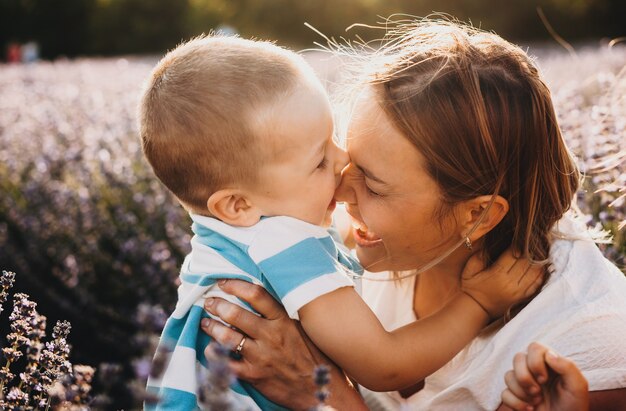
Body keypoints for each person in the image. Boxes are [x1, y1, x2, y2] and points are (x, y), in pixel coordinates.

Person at [199, 20, 626, 410]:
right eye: (346, 160)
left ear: (477, 215)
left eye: (374, 184)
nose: (340, 190)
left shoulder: (588, 341)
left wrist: (320, 394)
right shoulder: (346, 236)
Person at [138, 34, 541, 410]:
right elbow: (384, 365)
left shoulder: (232, 233)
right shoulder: (282, 246)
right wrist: (477, 303)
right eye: (318, 161)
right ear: (237, 204)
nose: (342, 159)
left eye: (334, 138)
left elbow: (332, 238)